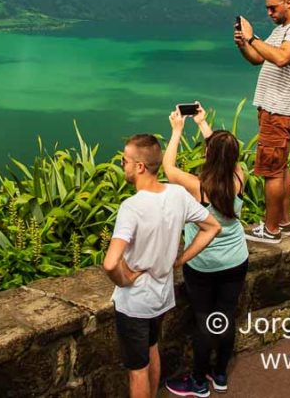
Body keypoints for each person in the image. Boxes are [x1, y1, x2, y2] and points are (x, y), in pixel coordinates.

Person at [103, 133, 222, 398]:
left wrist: (124, 279)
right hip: (161, 296)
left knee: (137, 370)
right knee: (152, 348)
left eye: (125, 160)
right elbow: (212, 227)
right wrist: (179, 259)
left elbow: (110, 262)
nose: (122, 164)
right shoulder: (177, 194)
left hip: (135, 302)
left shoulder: (131, 207)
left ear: (140, 166)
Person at [162, 104, 249, 397]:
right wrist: (203, 125)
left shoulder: (197, 186)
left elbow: (168, 168)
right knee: (224, 317)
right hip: (236, 260)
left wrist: (177, 131)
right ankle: (220, 373)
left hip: (203, 263)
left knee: (204, 321)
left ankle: (198, 382)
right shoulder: (239, 176)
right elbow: (222, 155)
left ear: (209, 154)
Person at [234, 0, 290, 243]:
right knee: (280, 168)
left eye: (273, 7)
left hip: (279, 111)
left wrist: (253, 37)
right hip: (274, 110)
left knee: (272, 172)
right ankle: (284, 222)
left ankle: (271, 230)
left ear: (289, 2)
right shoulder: (281, 30)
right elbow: (259, 59)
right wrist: (244, 45)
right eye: (267, 8)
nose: (269, 12)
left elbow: (281, 58)